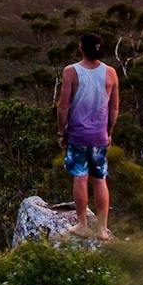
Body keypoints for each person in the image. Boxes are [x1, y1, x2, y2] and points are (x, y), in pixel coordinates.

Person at [55, 31, 120, 238]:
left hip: (77, 135)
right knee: (100, 179)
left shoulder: (70, 71)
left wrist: (61, 131)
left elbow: (63, 107)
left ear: (81, 47)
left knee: (80, 179)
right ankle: (102, 229)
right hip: (99, 137)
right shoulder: (110, 72)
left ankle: (82, 225)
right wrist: (109, 132)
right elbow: (114, 108)